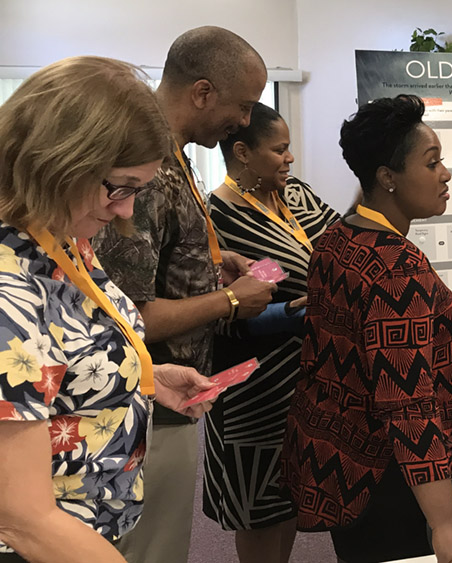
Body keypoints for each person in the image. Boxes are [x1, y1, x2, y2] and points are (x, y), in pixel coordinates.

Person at [0, 56, 216, 562]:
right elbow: (22, 518)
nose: (125, 209)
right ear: (57, 161)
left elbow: (54, 363)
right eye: (119, 187)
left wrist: (138, 374)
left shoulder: (58, 232)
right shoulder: (8, 287)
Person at [91, 27, 276, 563]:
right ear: (201, 92)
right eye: (243, 106)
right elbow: (125, 314)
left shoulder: (173, 156)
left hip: (169, 395)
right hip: (149, 402)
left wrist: (212, 263)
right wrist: (231, 301)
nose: (245, 121)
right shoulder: (146, 166)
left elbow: (158, 259)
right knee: (151, 550)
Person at [281, 94, 452, 563]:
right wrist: (445, 524)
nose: (446, 174)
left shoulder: (337, 237)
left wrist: (435, 325)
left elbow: (353, 331)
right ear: (388, 178)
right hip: (386, 469)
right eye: (432, 163)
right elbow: (407, 405)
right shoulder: (398, 267)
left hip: (334, 456)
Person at [203, 102, 340, 563]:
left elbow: (344, 239)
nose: (290, 158)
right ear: (243, 152)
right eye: (279, 150)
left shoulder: (296, 194)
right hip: (254, 387)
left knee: (289, 498)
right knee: (257, 507)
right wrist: (288, 313)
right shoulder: (215, 218)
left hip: (307, 377)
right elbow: (214, 314)